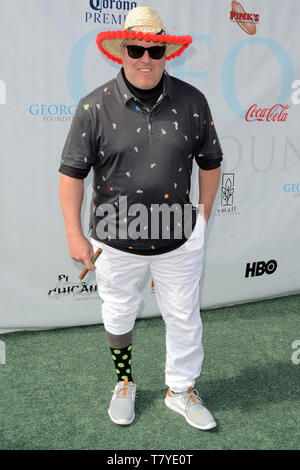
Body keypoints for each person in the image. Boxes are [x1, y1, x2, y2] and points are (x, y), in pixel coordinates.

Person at [59, 6, 223, 430]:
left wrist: (201, 218)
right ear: (122, 52)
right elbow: (71, 175)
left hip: (179, 239)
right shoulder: (93, 106)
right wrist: (74, 235)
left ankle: (181, 390)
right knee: (117, 312)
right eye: (137, 49)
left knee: (185, 317)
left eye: (155, 50)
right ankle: (125, 382)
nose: (146, 58)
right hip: (114, 241)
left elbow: (210, 161)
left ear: (166, 52)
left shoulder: (193, 100)